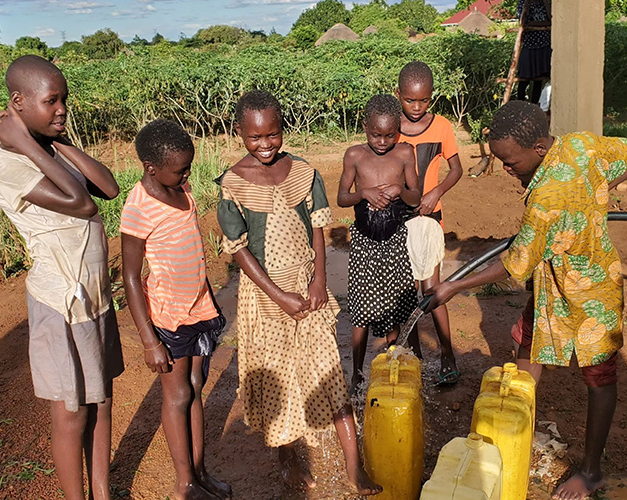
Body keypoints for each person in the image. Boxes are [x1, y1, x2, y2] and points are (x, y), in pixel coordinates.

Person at [427, 100, 627, 500]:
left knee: (599, 375)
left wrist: (453, 286)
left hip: (590, 294)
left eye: (510, 162)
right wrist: (597, 184)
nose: (506, 169)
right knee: (526, 340)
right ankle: (513, 424)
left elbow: (513, 264)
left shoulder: (546, 199)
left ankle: (591, 471)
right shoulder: (581, 146)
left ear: (539, 148)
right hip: (552, 283)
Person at [217, 89, 381, 496]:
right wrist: (277, 295)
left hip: (309, 293)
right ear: (239, 133)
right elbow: (240, 252)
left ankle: (353, 467)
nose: (266, 145)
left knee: (330, 375)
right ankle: (288, 458)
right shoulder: (233, 184)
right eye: (255, 138)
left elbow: (318, 229)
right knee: (280, 384)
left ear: (282, 129)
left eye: (273, 135)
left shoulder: (303, 173)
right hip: (265, 298)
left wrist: (319, 280)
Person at [0, 55, 124, 500]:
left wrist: (55, 142)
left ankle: (101, 494)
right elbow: (82, 204)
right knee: (72, 411)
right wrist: (29, 146)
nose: (62, 108)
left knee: (100, 399)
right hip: (59, 301)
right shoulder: (3, 165)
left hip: (95, 297)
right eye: (52, 101)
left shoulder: (50, 148)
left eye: (64, 100)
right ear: (18, 103)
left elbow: (106, 189)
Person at [120, 119, 231, 500]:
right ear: (151, 168)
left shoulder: (180, 189)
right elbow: (132, 278)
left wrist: (210, 300)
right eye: (181, 168)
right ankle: (183, 483)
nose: (187, 174)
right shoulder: (138, 207)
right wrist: (150, 341)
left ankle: (200, 473)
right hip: (169, 316)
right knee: (179, 394)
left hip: (199, 307)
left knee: (196, 388)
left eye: (188, 166)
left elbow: (194, 251)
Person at [337, 94, 421, 394]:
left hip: (396, 238)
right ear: (364, 127)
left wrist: (400, 189)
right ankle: (357, 372)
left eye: (389, 135)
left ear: (398, 130)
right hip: (364, 242)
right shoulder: (355, 156)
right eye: (376, 134)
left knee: (398, 303)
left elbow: (416, 197)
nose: (383, 141)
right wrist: (364, 194)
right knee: (361, 308)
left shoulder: (404, 154)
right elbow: (342, 197)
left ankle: (399, 363)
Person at [396, 61, 463, 385]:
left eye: (424, 100)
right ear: (399, 96)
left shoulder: (442, 127)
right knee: (405, 293)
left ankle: (447, 354)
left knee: (433, 290)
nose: (417, 107)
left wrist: (435, 190)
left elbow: (456, 169)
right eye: (410, 100)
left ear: (432, 97)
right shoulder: (389, 126)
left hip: (429, 219)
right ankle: (414, 357)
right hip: (399, 222)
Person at [517, 0, 552, 104]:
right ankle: (520, 106)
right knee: (524, 78)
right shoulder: (523, 2)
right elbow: (523, 22)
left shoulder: (546, 2)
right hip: (529, 44)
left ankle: (534, 108)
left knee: (538, 80)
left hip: (544, 44)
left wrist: (546, 3)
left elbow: (551, 20)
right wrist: (542, 24)